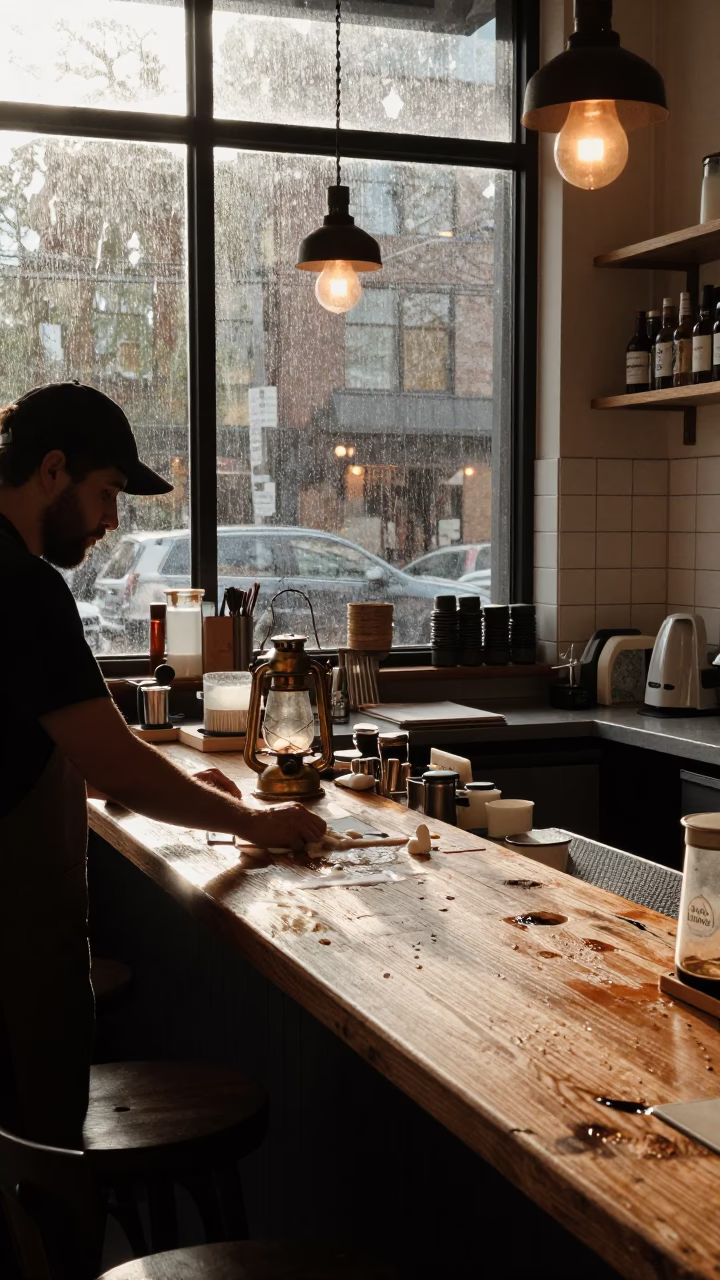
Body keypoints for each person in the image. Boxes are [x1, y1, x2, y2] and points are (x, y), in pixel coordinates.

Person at [0, 381, 326, 1149]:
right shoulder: (22, 586)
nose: (112, 521)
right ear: (53, 471)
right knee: (41, 1183)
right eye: (107, 491)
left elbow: (53, 735)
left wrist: (175, 784)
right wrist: (256, 821)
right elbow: (118, 768)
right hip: (12, 958)